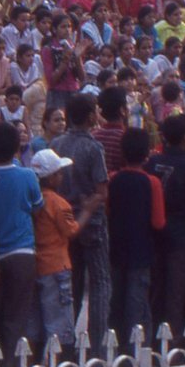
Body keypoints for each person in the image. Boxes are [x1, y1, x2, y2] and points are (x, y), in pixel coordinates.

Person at [50, 93, 111, 347]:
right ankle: (97, 344)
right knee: (99, 282)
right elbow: (102, 191)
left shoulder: (57, 144)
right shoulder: (93, 147)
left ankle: (66, 341)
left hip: (64, 221)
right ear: (90, 117)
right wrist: (88, 209)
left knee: (71, 284)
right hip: (92, 222)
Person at [29, 147, 98, 353]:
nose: (61, 177)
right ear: (51, 178)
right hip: (57, 265)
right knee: (59, 322)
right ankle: (60, 366)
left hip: (36, 264)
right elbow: (70, 230)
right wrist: (87, 211)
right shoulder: (59, 204)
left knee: (37, 320)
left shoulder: (32, 200)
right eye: (58, 173)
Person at [144, 112, 185, 339]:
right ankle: (173, 343)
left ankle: (151, 338)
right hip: (180, 234)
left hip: (155, 232)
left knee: (156, 289)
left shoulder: (153, 161)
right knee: (176, 293)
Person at [0, 122, 42, 352]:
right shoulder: (27, 175)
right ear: (17, 147)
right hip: (22, 252)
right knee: (17, 315)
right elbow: (37, 208)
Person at [108, 127, 164, 337]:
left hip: (116, 248)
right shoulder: (152, 183)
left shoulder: (113, 178)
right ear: (146, 153)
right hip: (141, 251)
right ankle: (138, 351)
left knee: (117, 302)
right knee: (137, 304)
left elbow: (107, 211)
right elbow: (158, 222)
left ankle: (115, 346)